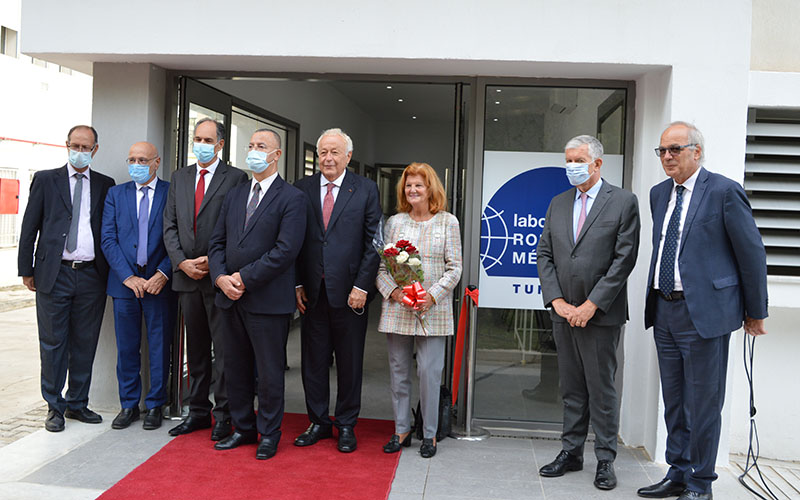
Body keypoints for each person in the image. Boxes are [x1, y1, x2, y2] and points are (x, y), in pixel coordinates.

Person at [638, 122, 768, 500]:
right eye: (662, 151)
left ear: (697, 151)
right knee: (675, 400)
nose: (667, 157)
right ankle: (677, 473)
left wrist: (755, 310)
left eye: (675, 150)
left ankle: (700, 483)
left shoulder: (725, 192)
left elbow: (751, 254)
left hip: (704, 315)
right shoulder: (658, 193)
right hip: (664, 309)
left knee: (704, 403)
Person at [536, 135, 640, 490]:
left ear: (597, 163)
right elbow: (545, 255)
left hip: (601, 314)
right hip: (564, 313)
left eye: (578, 160)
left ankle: (606, 459)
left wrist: (591, 304)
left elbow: (624, 259)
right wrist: (557, 301)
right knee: (571, 387)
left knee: (602, 389)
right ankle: (572, 451)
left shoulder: (623, 202)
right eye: (567, 161)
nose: (571, 167)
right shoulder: (558, 203)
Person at [208, 128, 306, 460]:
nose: (254, 151)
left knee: (268, 373)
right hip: (229, 298)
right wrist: (221, 277)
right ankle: (243, 428)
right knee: (235, 368)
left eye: (261, 146)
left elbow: (285, 251)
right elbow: (216, 242)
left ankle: (269, 433)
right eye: (250, 146)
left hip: (267, 301)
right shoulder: (235, 194)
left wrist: (243, 278)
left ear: (276, 155)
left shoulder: (292, 198)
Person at [18, 125, 115, 432]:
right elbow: (29, 226)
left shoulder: (104, 184)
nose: (80, 151)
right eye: (75, 145)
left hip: (90, 275)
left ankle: (78, 403)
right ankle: (54, 407)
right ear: (66, 145)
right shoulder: (46, 180)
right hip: (53, 273)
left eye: (86, 147)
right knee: (52, 342)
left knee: (85, 342)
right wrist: (26, 269)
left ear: (95, 150)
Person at [293, 128, 382, 453]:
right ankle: (318, 421)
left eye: (334, 152)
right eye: (323, 153)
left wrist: (362, 285)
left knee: (349, 362)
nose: (328, 158)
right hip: (312, 293)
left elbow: (376, 242)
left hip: (351, 294)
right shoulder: (301, 189)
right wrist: (298, 283)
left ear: (347, 156)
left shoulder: (366, 189)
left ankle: (346, 424)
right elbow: (292, 241)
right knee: (312, 361)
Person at [163, 118, 248, 440]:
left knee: (224, 351)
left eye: (207, 139)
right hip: (186, 278)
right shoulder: (179, 177)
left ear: (220, 145)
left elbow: (238, 227)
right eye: (197, 138)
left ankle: (224, 414)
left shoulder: (236, 178)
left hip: (219, 279)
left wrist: (214, 262)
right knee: (195, 351)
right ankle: (197, 412)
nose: (201, 144)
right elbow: (169, 226)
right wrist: (181, 262)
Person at [376, 162, 462, 459]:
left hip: (432, 310)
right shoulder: (395, 223)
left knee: (428, 372)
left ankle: (429, 434)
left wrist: (432, 295)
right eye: (408, 185)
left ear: (430, 190)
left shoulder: (448, 222)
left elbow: (455, 268)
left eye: (418, 185)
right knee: (399, 371)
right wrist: (397, 292)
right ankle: (401, 429)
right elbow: (381, 267)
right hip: (399, 308)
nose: (412, 190)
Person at [101, 142, 177, 430]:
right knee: (127, 348)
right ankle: (129, 405)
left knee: (159, 347)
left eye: (142, 160)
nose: (136, 164)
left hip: (160, 283)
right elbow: (108, 238)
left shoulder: (171, 193)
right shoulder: (115, 194)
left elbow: (178, 237)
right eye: (132, 159)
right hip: (124, 285)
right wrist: (127, 276)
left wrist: (163, 273)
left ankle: (156, 404)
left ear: (156, 162)